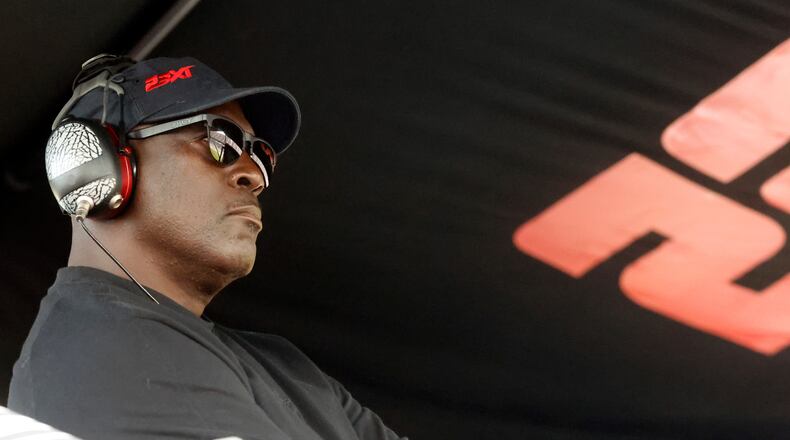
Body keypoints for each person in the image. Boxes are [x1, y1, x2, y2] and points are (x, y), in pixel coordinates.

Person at [8, 55, 406, 440]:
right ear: (96, 167)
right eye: (220, 140)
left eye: (261, 155)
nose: (254, 175)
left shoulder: (286, 366)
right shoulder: (97, 352)